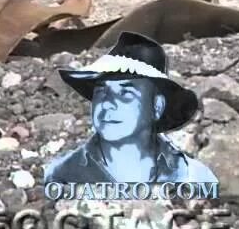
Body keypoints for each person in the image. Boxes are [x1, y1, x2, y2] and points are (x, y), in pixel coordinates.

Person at [43, 32, 217, 185]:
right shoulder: (63, 176)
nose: (108, 103)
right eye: (102, 92)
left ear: (157, 107)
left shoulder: (191, 178)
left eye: (126, 93)